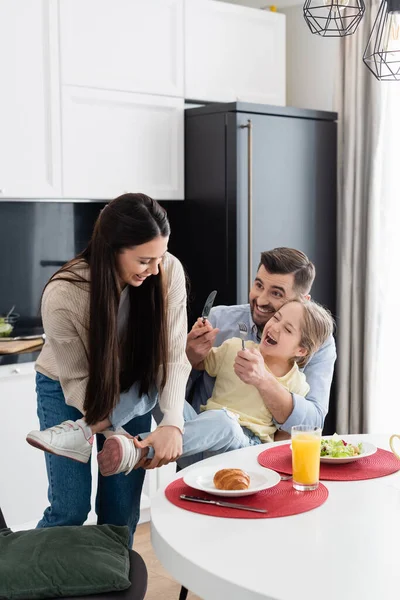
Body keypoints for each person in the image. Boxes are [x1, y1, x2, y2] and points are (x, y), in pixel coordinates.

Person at [26, 193, 190, 544]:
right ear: (112, 249)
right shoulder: (64, 294)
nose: (156, 269)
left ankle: (110, 591)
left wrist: (173, 422)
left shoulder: (168, 272)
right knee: (69, 510)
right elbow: (78, 381)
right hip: (69, 387)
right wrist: (113, 430)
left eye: (160, 257)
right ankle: (19, 580)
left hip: (131, 385)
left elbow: (172, 357)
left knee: (119, 512)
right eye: (145, 260)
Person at [93, 298, 334, 475]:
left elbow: (283, 441)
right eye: (277, 318)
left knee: (224, 421)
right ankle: (102, 422)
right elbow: (195, 364)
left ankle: (138, 449)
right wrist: (197, 343)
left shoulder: (296, 385)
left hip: (242, 451)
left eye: (288, 329)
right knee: (163, 377)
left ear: (300, 350)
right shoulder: (234, 347)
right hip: (196, 441)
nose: (274, 326)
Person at [186, 248, 337, 437]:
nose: (261, 300)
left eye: (276, 293)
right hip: (198, 439)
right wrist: (188, 357)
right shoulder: (219, 320)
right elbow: (174, 392)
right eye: (258, 285)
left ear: (303, 301)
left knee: (225, 423)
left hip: (252, 451)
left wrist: (263, 380)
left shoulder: (318, 343)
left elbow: (311, 424)